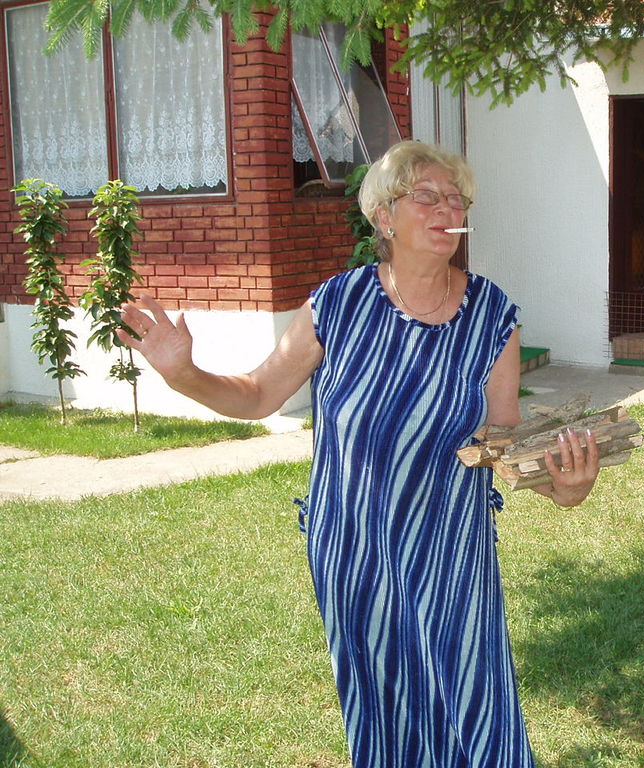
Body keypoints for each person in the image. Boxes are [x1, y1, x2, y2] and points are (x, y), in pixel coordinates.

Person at [117, 140, 601, 767]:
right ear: (384, 215)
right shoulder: (337, 305)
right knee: (385, 706)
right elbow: (259, 393)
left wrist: (563, 487)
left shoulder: (491, 317)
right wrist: (186, 375)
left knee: (472, 701)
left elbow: (502, 441)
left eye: (456, 199)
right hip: (354, 553)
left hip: (452, 552)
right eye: (426, 196)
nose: (447, 209)